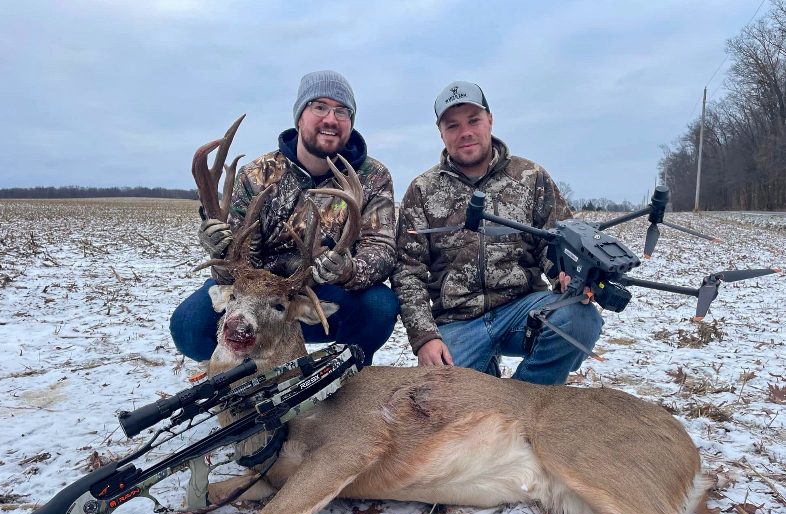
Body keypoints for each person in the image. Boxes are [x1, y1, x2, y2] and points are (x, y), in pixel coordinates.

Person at [171, 70, 398, 366]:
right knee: (188, 326)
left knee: (379, 307)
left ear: (350, 122)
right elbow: (233, 269)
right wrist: (220, 249)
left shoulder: (373, 176)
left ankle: (348, 374)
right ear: (300, 117)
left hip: (323, 292)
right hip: (257, 291)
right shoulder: (257, 173)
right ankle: (243, 371)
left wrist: (347, 269)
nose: (331, 119)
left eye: (342, 111)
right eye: (319, 107)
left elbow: (380, 249)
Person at [391, 80, 603, 384]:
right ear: (441, 134)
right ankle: (483, 375)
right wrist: (424, 337)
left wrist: (566, 274)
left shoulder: (530, 177)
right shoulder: (422, 190)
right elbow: (407, 272)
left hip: (522, 312)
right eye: (453, 126)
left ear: (490, 120)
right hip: (457, 321)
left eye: (473, 120)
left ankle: (527, 397)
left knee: (579, 320)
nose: (465, 132)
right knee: (432, 398)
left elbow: (558, 243)